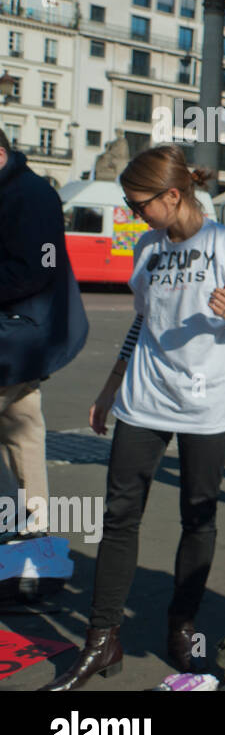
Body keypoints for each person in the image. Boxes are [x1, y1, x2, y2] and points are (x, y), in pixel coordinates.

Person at [44, 144, 225, 690]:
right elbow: (142, 324)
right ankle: (101, 641)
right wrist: (110, 386)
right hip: (144, 399)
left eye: (138, 203)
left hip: (209, 404)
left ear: (172, 195)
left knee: (198, 517)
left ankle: (182, 628)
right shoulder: (147, 248)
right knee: (120, 516)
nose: (132, 213)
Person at [0, 130, 89, 535]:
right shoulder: (25, 190)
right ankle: (35, 541)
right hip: (23, 335)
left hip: (17, 335)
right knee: (24, 434)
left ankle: (25, 540)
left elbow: (38, 267)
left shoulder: (29, 194)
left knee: (23, 435)